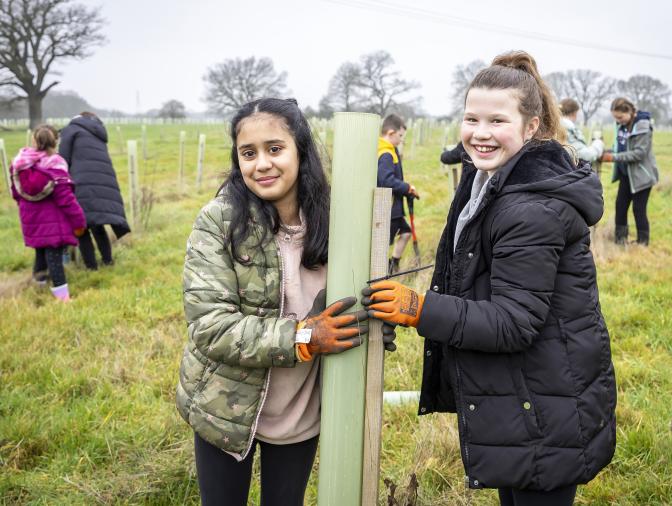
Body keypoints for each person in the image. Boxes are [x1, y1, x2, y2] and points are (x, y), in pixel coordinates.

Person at [362, 51, 616, 506]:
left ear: (531, 127)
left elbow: (513, 322)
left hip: (545, 400)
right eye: (471, 118)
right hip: (522, 393)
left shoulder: (529, 208)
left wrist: (419, 310)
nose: (480, 133)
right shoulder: (490, 180)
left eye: (497, 121)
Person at [175, 98, 382, 506]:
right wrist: (303, 337)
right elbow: (210, 326)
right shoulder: (218, 221)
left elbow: (357, 300)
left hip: (300, 412)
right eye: (248, 153)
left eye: (274, 149)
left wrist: (376, 319)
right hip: (225, 408)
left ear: (300, 150)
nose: (261, 164)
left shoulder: (342, 219)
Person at [10, 124, 86, 302]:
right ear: (55, 141)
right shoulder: (56, 165)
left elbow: (15, 192)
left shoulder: (20, 163)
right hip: (53, 221)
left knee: (40, 252)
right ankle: (63, 299)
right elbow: (66, 199)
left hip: (30, 217)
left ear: (34, 141)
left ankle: (39, 287)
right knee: (54, 259)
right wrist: (79, 221)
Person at [59, 112, 130, 270]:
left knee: (81, 227)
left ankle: (91, 267)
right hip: (101, 183)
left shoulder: (71, 130)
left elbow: (62, 159)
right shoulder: (98, 132)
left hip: (80, 183)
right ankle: (107, 261)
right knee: (98, 225)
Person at [600, 98, 659, 245]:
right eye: (615, 118)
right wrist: (605, 152)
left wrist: (612, 157)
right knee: (620, 207)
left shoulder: (643, 126)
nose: (618, 121)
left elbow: (639, 153)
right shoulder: (622, 126)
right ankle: (620, 241)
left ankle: (642, 243)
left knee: (638, 210)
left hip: (641, 176)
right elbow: (619, 147)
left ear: (629, 111)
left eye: (620, 117)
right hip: (626, 175)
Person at [377, 113, 419, 274]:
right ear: (391, 133)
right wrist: (407, 187)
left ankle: (393, 264)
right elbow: (386, 180)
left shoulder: (389, 150)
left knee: (406, 232)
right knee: (382, 243)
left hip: (393, 207)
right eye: (400, 135)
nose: (401, 139)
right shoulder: (386, 153)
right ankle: (382, 270)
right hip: (388, 206)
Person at [559, 98, 604, 163]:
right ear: (574, 113)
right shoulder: (568, 129)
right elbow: (583, 156)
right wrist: (598, 144)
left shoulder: (554, 127)